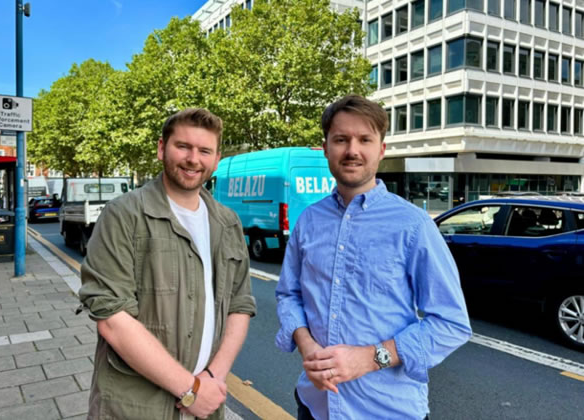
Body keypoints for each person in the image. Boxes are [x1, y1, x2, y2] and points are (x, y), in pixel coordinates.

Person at [275, 95, 472, 420]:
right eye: (341, 139)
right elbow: (288, 294)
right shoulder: (308, 221)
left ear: (381, 149)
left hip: (388, 411)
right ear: (326, 147)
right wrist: (307, 345)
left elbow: (451, 323)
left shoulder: (413, 225)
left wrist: (370, 358)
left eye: (364, 139)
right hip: (315, 406)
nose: (352, 150)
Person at [79, 108, 256, 420]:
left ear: (216, 160)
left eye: (205, 151)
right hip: (135, 407)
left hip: (205, 405)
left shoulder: (228, 223)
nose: (193, 159)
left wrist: (212, 379)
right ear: (162, 148)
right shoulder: (123, 215)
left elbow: (239, 305)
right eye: (183, 147)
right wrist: (190, 390)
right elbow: (111, 317)